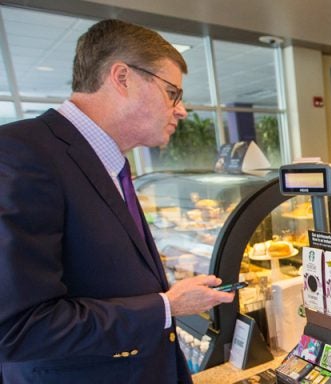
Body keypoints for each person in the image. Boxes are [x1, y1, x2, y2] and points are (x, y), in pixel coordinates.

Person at [0, 19, 233, 383]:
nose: (182, 110)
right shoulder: (20, 154)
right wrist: (165, 307)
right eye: (172, 92)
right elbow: (20, 328)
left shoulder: (107, 163)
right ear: (121, 78)